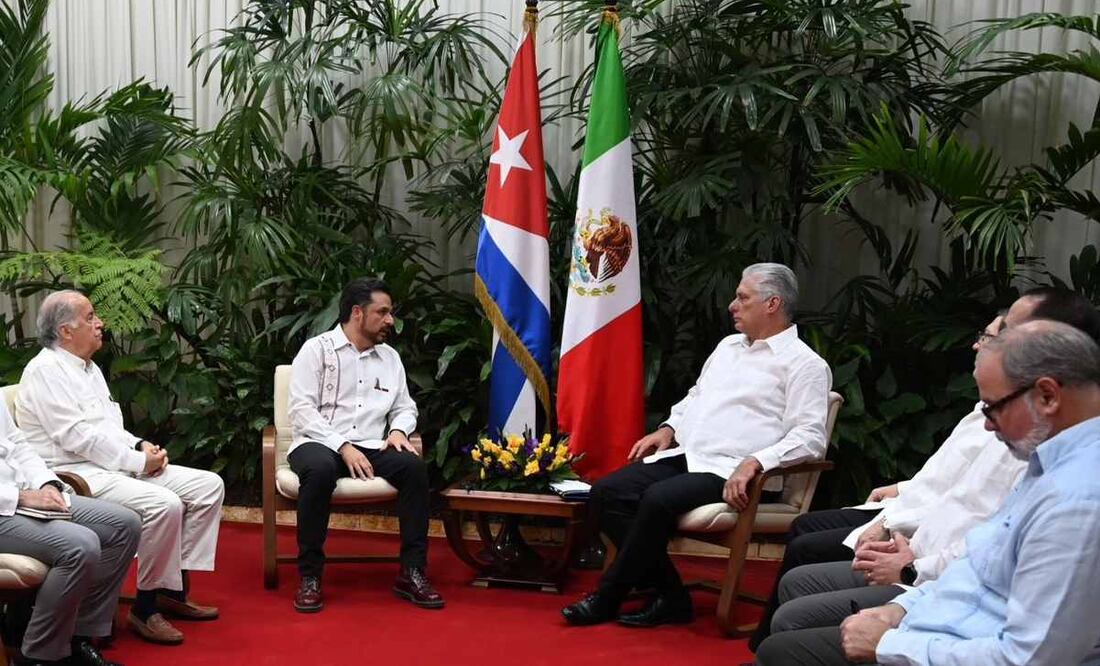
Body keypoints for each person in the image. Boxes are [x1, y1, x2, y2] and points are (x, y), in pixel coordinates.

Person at [749, 286, 1100, 649]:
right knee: (795, 608)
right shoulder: (1044, 455)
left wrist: (892, 636)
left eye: (1006, 335)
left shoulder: (1075, 495)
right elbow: (975, 553)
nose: (987, 423)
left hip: (954, 618)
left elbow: (1027, 653)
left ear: (1047, 389)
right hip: (936, 586)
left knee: (789, 636)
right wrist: (903, 604)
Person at [561, 262, 832, 628]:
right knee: (608, 492)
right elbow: (696, 396)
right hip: (690, 456)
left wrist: (756, 461)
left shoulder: (804, 365)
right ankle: (671, 595)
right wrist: (669, 428)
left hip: (737, 474)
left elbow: (810, 438)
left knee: (656, 499)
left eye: (742, 298)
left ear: (772, 304)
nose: (732, 306)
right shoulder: (728, 347)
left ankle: (607, 598)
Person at [18, 290, 225, 646]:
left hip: (113, 464)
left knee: (209, 487)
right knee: (164, 504)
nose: (100, 323)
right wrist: (137, 461)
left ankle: (169, 589)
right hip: (76, 473)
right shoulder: (44, 371)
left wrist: (138, 445)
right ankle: (144, 609)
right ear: (66, 331)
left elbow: (109, 426)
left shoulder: (89, 367)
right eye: (90, 317)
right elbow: (77, 437)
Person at [286, 277, 442, 613]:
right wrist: (342, 445)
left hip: (372, 443)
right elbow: (301, 411)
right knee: (319, 470)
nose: (390, 320)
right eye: (382, 312)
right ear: (357, 313)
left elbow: (404, 406)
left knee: (413, 467)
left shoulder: (389, 358)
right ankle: (310, 576)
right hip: (318, 441)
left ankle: (412, 571)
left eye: (391, 313)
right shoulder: (316, 350)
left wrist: (399, 431)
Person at [0, 397, 140, 666]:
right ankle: (40, 658)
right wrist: (19, 497)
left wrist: (47, 483)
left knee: (123, 525)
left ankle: (76, 641)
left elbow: (17, 443)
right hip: (9, 502)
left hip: (22, 494)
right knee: (80, 545)